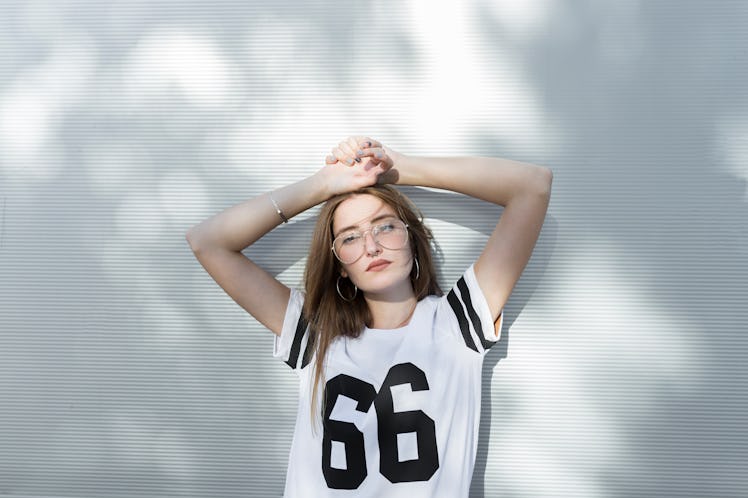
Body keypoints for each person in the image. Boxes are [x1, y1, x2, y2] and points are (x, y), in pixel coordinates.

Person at [185, 136, 552, 497]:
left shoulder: (456, 325)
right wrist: (321, 185)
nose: (372, 246)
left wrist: (397, 169)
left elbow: (532, 186)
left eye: (385, 226)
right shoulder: (317, 334)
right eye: (350, 238)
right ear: (339, 266)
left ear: (413, 237)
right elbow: (208, 241)